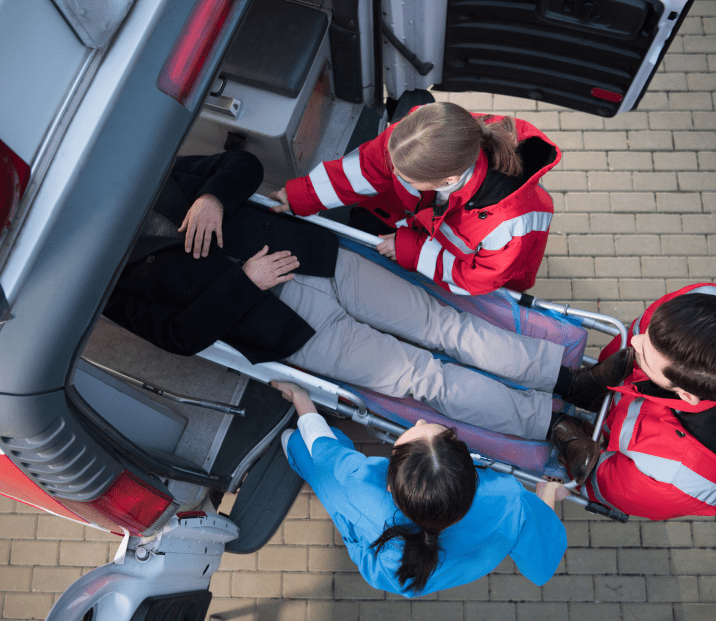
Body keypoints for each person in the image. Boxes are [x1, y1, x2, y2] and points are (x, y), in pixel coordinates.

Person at [104, 149, 632, 482]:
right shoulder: (110, 285)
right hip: (288, 332)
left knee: (447, 326)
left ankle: (571, 380)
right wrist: (245, 284)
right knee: (426, 378)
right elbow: (177, 337)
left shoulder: (149, 174)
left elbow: (243, 164)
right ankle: (553, 424)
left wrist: (214, 195)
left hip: (321, 261)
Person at [271, 381, 569, 597]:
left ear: (389, 484)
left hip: (381, 555)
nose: (420, 419)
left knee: (300, 445)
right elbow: (540, 561)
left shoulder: (359, 485)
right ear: (469, 474)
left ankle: (286, 442)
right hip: (436, 571)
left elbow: (324, 449)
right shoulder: (509, 496)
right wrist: (546, 494)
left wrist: (300, 397)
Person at [269, 102, 561, 295]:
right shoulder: (414, 139)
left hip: (465, 268)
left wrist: (414, 252)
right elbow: (365, 168)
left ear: (447, 181)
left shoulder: (509, 223)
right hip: (417, 231)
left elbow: (479, 277)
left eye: (406, 177)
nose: (393, 172)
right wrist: (299, 196)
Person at [577, 284, 716, 519]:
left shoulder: (674, 477)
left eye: (646, 357)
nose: (635, 342)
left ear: (686, 395)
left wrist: (576, 454)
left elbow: (598, 485)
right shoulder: (701, 303)